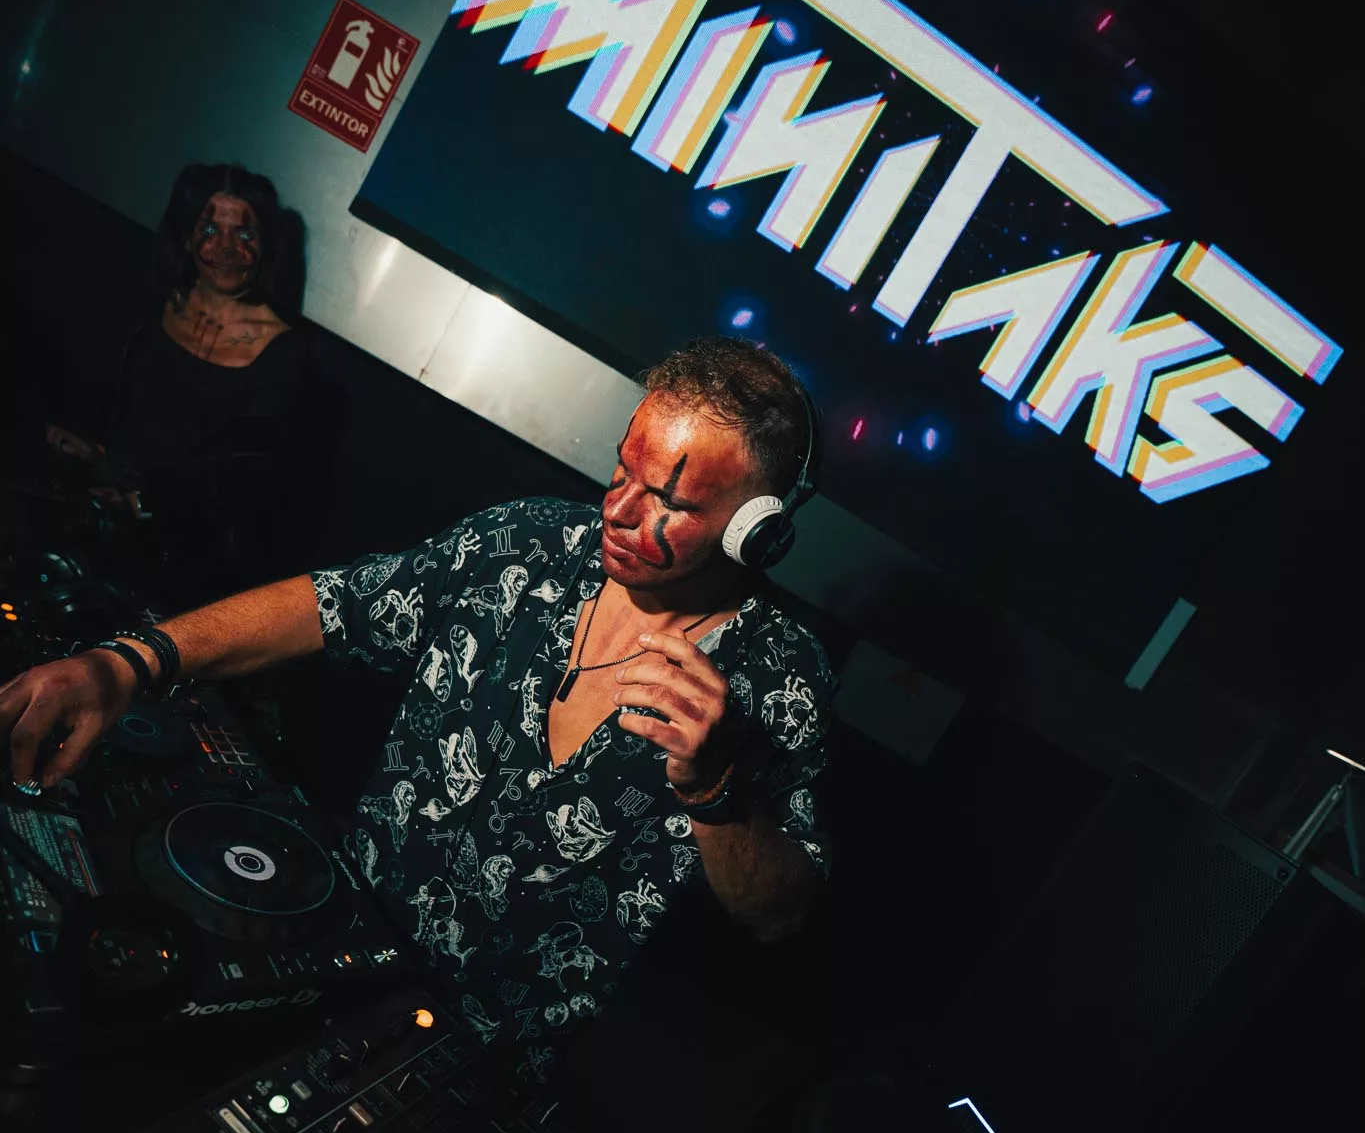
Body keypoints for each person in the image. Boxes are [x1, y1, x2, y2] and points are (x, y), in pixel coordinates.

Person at [2, 338, 833, 1084]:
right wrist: (130, 661)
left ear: (753, 530)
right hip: (332, 951)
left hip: (487, 1059)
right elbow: (331, 605)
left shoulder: (779, 678)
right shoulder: (525, 543)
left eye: (668, 503)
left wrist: (714, 790)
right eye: (622, 470)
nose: (616, 510)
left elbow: (776, 913)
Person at [43, 162, 313, 607]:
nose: (226, 248)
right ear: (186, 237)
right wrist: (93, 453)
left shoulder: (283, 349)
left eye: (245, 234)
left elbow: (245, 476)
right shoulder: (153, 304)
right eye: (211, 229)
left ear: (265, 245)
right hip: (95, 518)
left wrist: (144, 501)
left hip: (178, 561)